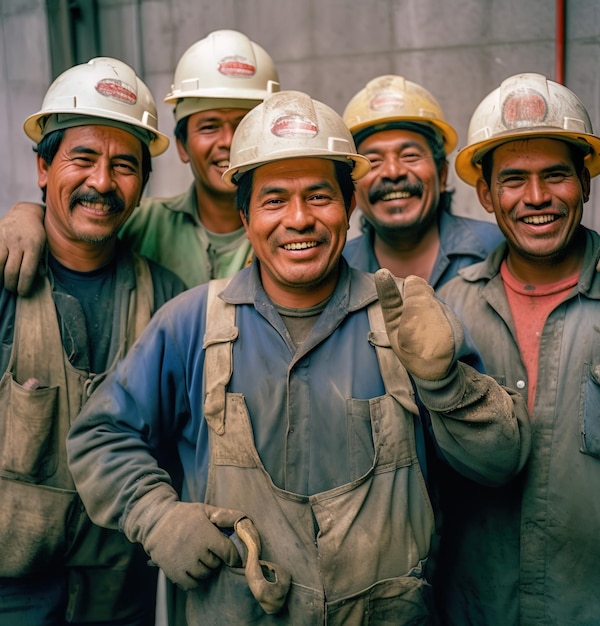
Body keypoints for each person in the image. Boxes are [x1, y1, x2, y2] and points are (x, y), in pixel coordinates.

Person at [65, 89, 531, 625]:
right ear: (245, 215)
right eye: (273, 200)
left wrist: (447, 383)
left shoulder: (408, 320)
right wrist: (156, 514)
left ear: (349, 207)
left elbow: (501, 464)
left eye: (319, 196)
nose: (299, 219)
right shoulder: (192, 323)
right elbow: (100, 435)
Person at [435, 72, 600, 624]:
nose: (537, 197)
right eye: (514, 179)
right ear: (486, 193)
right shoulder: (453, 310)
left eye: (556, 176)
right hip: (478, 608)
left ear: (586, 183)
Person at [0, 57, 185, 625]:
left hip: (120, 595)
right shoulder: (5, 279)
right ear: (42, 167)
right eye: (82, 158)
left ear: (142, 187)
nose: (102, 182)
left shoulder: (167, 300)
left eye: (124, 166)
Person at [0, 29, 280, 293]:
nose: (229, 141)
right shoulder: (143, 223)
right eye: (209, 126)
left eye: (245, 125)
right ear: (181, 146)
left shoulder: (294, 226)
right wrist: (25, 215)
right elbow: (75, 221)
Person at [341, 74, 504, 288]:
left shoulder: (499, 250)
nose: (392, 172)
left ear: (442, 174)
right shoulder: (337, 269)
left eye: (410, 155)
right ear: (353, 186)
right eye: (373, 161)